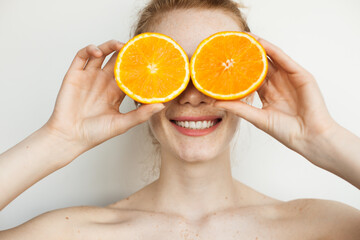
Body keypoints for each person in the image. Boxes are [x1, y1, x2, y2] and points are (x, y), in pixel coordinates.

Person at [1, 0, 360, 238]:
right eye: (173, 73)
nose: (192, 94)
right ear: (140, 86)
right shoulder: (75, 234)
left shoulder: (321, 228)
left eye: (214, 72)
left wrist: (324, 138)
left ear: (250, 84)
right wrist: (58, 139)